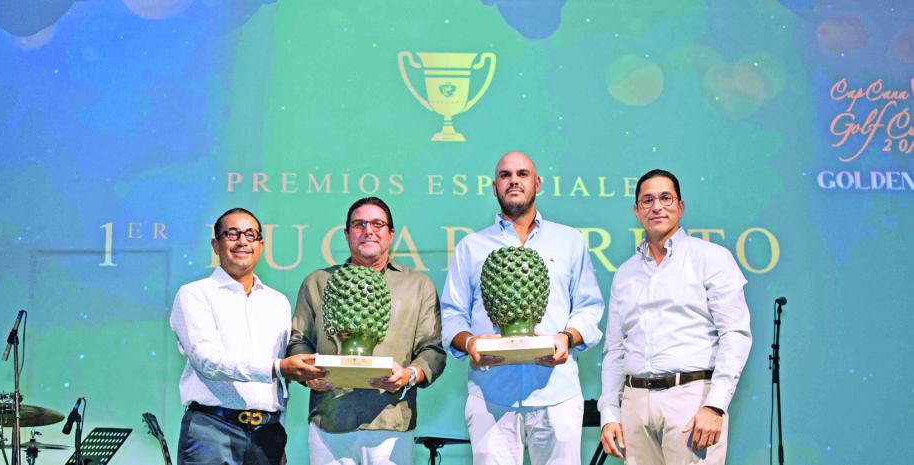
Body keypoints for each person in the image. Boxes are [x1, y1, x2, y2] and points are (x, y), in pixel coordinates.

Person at [440, 151, 604, 465]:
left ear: (537, 183)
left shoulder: (569, 241)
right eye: (505, 175)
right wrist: (470, 342)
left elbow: (589, 307)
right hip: (491, 394)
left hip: (557, 392)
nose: (514, 180)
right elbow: (452, 313)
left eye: (522, 174)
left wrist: (566, 338)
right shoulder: (471, 247)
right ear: (494, 186)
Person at [598, 169, 752, 465]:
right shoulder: (624, 274)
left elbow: (735, 335)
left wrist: (715, 406)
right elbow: (615, 350)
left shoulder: (711, 257)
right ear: (636, 211)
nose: (657, 206)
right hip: (635, 404)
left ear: (680, 206)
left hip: (691, 401)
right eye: (647, 200)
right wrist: (609, 414)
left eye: (666, 198)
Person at [288, 197, 446, 465]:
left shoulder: (418, 285)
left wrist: (409, 375)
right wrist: (308, 376)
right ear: (347, 233)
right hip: (330, 418)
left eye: (377, 224)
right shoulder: (318, 282)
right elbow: (299, 342)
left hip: (391, 421)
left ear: (390, 234)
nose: (368, 230)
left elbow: (432, 350)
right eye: (359, 224)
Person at [170, 207, 325, 465]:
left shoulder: (277, 302)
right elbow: (207, 361)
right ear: (215, 244)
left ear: (261, 245)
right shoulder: (194, 294)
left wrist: (280, 430)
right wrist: (277, 367)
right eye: (232, 234)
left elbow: (280, 384)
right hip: (212, 430)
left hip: (267, 434)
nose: (242, 241)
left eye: (250, 235)